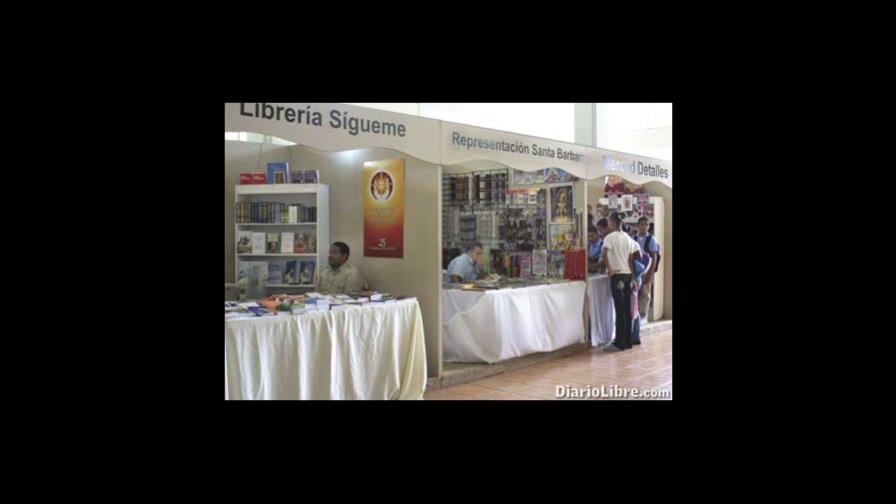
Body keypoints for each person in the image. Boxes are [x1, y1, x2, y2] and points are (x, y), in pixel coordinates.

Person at [600, 211, 642, 352]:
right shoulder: (629, 239)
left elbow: (604, 255)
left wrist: (610, 269)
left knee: (620, 310)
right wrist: (634, 278)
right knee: (626, 310)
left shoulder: (609, 238)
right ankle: (628, 341)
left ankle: (619, 342)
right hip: (628, 276)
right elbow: (632, 260)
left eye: (609, 221)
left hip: (617, 276)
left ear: (612, 222)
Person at [634, 217, 660, 324]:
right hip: (636, 270)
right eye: (642, 224)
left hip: (647, 270)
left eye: (646, 225)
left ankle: (644, 315)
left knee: (645, 293)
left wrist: (649, 274)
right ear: (638, 225)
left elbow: (654, 258)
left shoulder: (651, 239)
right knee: (635, 293)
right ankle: (636, 315)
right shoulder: (634, 238)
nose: (644, 227)